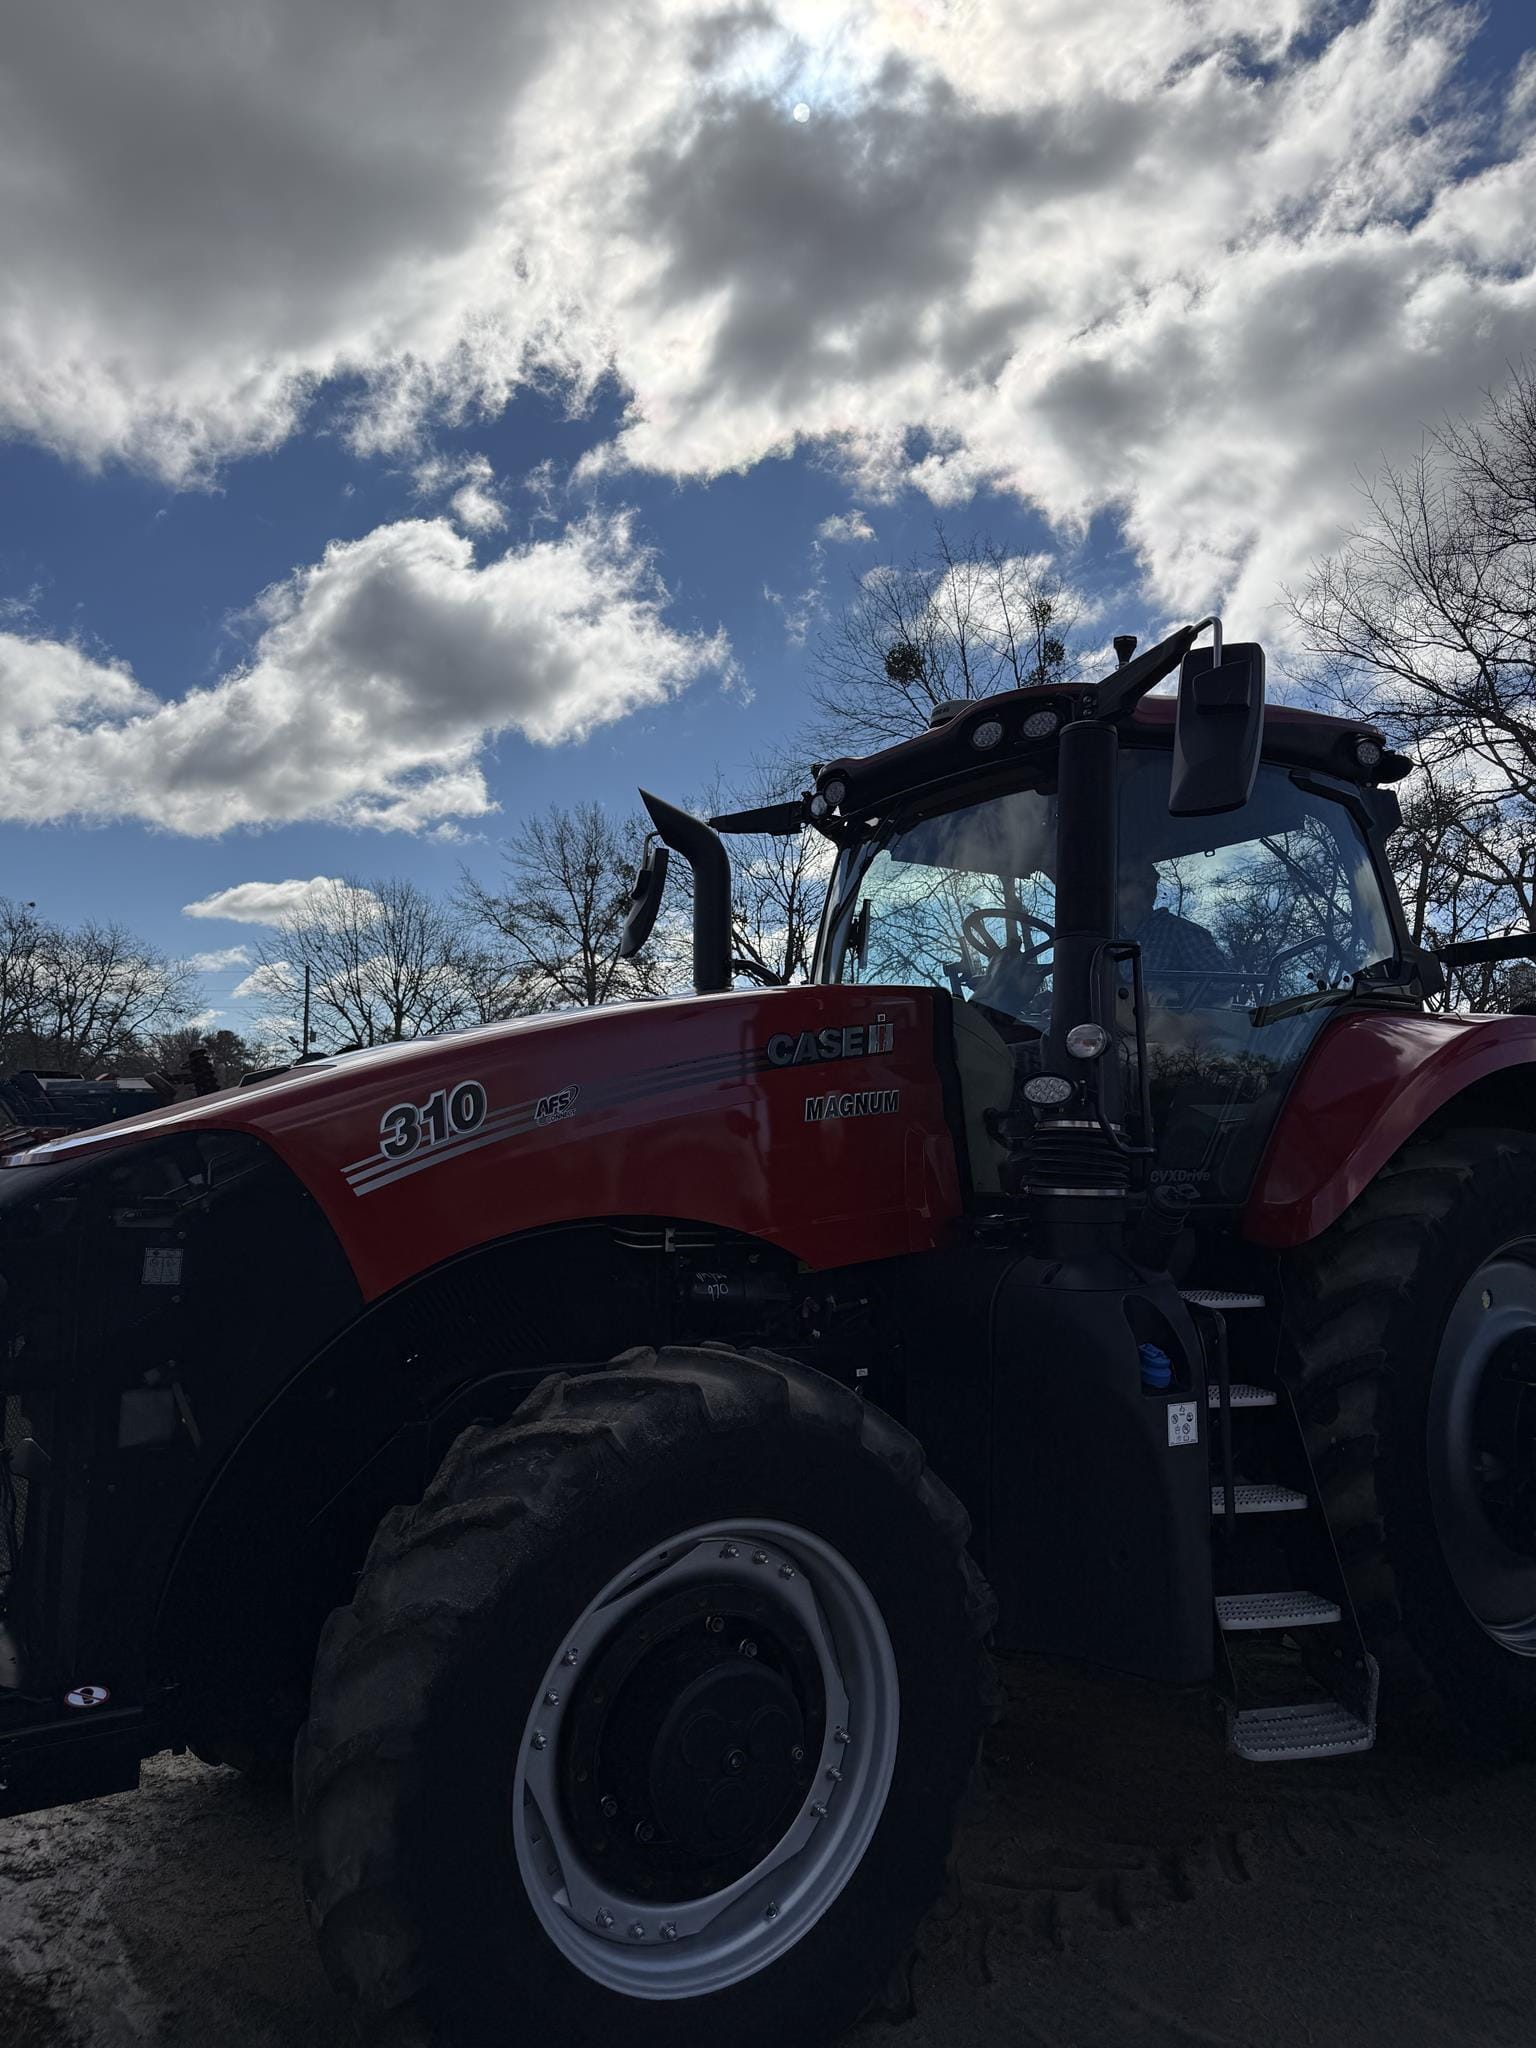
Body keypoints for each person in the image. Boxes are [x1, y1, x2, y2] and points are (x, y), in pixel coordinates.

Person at [1117, 861, 1227, 990]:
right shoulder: (1111, 940)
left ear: (1148, 892)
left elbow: (1226, 982)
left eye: (1123, 884)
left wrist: (1176, 994)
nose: (1114, 892)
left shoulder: (1179, 931)